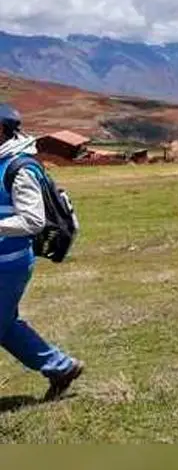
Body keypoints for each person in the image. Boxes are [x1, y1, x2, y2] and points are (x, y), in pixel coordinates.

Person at [0, 103, 84, 400]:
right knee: (5, 326)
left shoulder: (18, 168)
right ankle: (60, 367)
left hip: (8, 266)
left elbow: (32, 220)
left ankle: (60, 366)